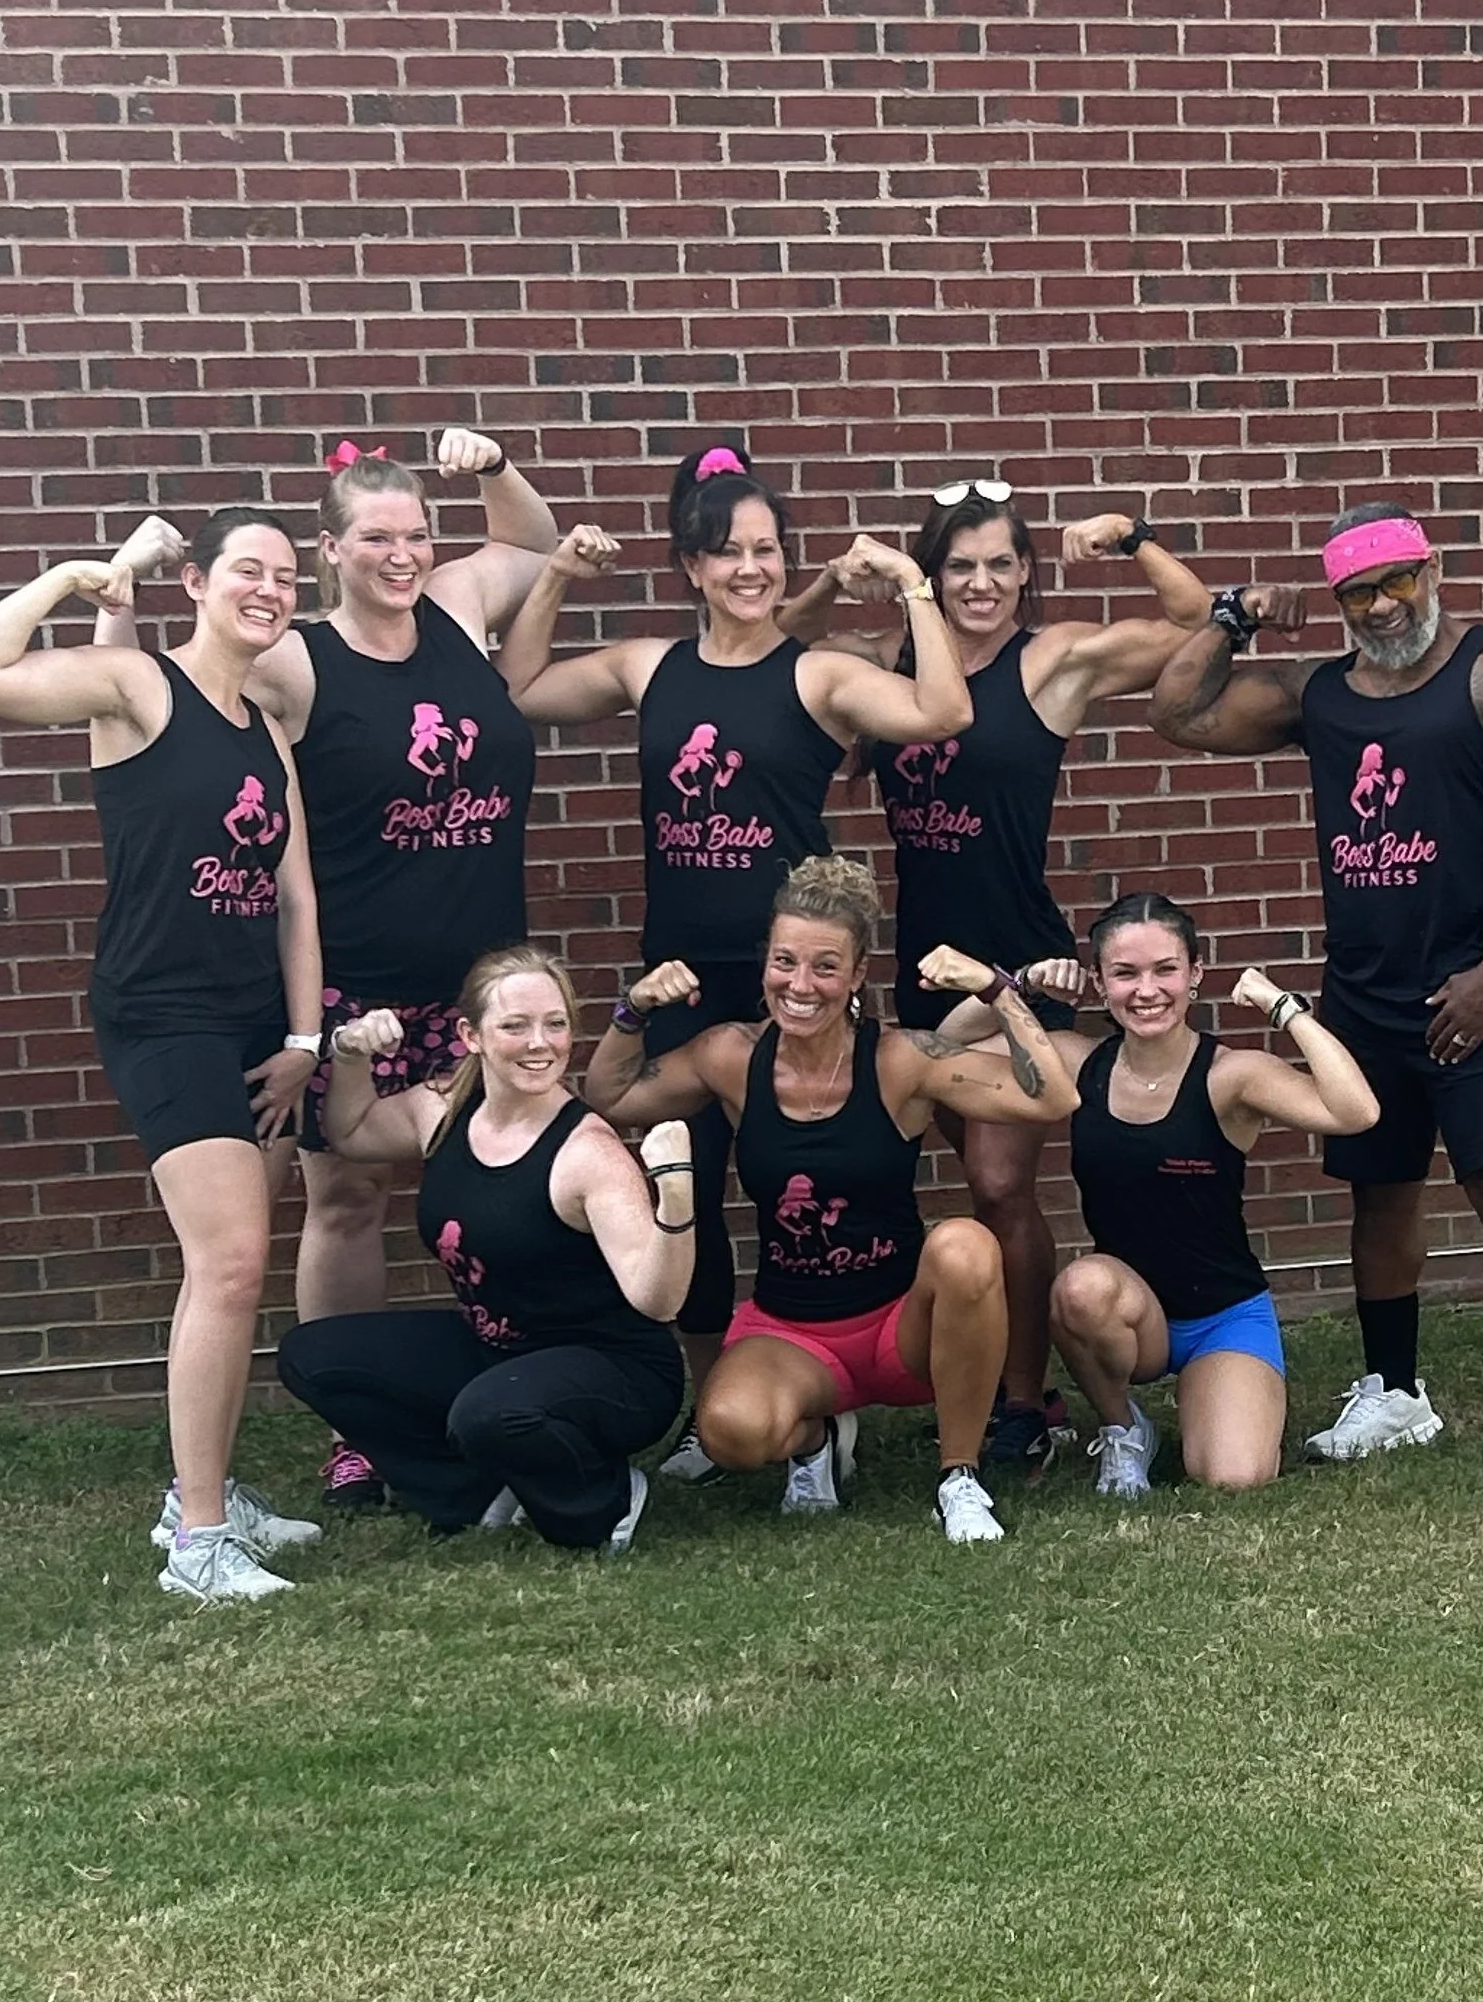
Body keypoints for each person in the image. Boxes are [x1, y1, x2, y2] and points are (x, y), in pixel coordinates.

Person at [102, 429, 571, 1510]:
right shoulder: (295, 659)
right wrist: (121, 591)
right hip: (352, 988)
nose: (401, 556)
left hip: (479, 986)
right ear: (331, 550)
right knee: (346, 1199)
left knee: (508, 1182)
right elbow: (164, 689)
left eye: (416, 534)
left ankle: (527, 1400)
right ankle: (357, 1431)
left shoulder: (456, 603)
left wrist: (494, 467)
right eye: (374, 539)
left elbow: (533, 544)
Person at [501, 441, 972, 1484]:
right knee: (687, 1184)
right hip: (683, 976)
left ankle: (835, 1387)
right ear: (693, 566)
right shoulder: (649, 668)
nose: (751, 569)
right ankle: (720, 1390)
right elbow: (521, 685)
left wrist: (912, 587)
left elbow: (943, 712)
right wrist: (558, 575)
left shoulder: (817, 674)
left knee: (821, 1175)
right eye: (729, 553)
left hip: (796, 982)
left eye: (767, 550)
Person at [1149, 503, 1483, 1469]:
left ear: (1432, 571)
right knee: (1379, 1195)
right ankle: (1394, 1394)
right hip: (1364, 993)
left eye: (1398, 581)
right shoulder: (1322, 696)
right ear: (1339, 600)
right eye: (1359, 592)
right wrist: (1234, 615)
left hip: (1475, 985)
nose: (1384, 606)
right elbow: (1176, 713)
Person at [795, 483, 1211, 1462]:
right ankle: (1002, 1380)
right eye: (959, 566)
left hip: (1019, 967)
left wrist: (1133, 538)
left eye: (998, 564)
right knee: (986, 1191)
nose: (980, 583)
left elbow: (1192, 623)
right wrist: (836, 577)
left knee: (995, 1179)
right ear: (931, 577)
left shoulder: (1051, 661)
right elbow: (783, 648)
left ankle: (1026, 1403)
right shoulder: (893, 663)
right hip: (923, 969)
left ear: (1025, 571)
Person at [0, 510, 325, 1601]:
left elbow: (296, 898)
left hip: (256, 1026)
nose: (269, 590)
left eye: (285, 577)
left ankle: (197, 1492)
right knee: (231, 1263)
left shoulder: (264, 726)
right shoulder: (137, 688)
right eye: (247, 570)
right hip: (163, 1017)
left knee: (231, 1268)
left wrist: (303, 1040)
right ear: (197, 582)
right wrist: (76, 577)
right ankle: (199, 1544)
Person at [582, 855, 1081, 1543]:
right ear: (765, 964)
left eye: (825, 966)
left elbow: (1053, 1096)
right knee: (729, 1434)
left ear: (855, 975)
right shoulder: (731, 1056)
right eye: (785, 962)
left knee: (965, 1246)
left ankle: (959, 1476)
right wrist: (633, 1010)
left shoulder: (899, 1060)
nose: (800, 985)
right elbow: (608, 1096)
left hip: (901, 1332)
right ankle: (816, 1442)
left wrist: (997, 990)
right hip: (793, 1333)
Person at [938, 894, 1380, 1494]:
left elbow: (1356, 1112)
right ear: (1099, 983)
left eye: (1165, 970)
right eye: (1125, 973)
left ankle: (1221, 1392)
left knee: (1234, 1476)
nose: (1147, 991)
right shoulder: (1076, 1062)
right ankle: (1124, 1428)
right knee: (1080, 1287)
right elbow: (947, 1048)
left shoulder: (1230, 1076)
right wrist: (1019, 984)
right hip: (1127, 1309)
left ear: (1195, 974)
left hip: (1223, 1315)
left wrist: (1282, 1007)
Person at [275, 947, 696, 1551]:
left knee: (489, 1413)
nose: (540, 1043)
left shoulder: (588, 1154)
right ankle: (482, 1490)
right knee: (314, 1356)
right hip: (497, 1351)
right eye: (515, 1026)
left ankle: (605, 1500)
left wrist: (675, 1201)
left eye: (555, 1024)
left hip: (615, 1370)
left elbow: (659, 1302)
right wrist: (348, 1054)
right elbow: (351, 1132)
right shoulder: (444, 1109)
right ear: (471, 1036)